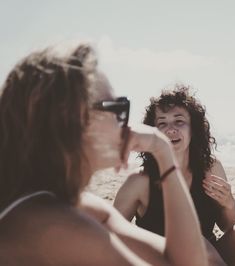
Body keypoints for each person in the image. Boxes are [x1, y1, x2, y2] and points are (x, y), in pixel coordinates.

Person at [0, 43, 208, 265]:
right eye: (117, 108)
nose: (125, 123)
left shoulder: (76, 205)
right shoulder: (50, 225)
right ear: (73, 122)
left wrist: (162, 150)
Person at [114, 86, 235, 266]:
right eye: (162, 123)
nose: (171, 129)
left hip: (211, 258)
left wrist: (228, 204)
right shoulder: (140, 181)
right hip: (161, 260)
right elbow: (109, 235)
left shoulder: (211, 169)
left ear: (193, 129)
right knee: (195, 241)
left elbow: (229, 227)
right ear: (153, 131)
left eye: (179, 121)